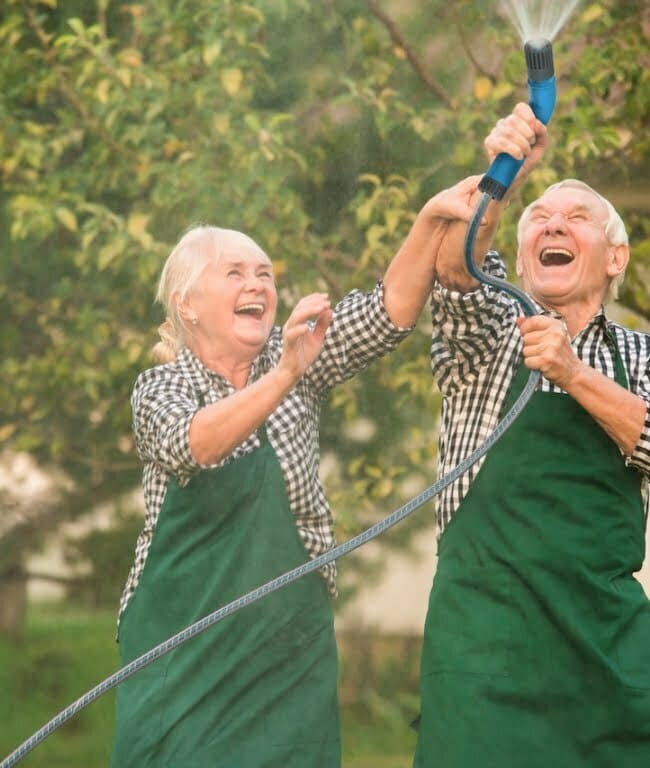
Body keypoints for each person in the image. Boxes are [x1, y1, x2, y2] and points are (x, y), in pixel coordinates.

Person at [110, 161, 503, 767]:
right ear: (187, 305)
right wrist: (286, 372)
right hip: (180, 656)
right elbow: (197, 444)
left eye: (265, 274)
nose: (258, 284)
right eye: (235, 272)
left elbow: (389, 311)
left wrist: (429, 220)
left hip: (285, 653)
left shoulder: (297, 353)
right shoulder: (160, 388)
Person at [413, 104, 650, 768]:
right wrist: (505, 176)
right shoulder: (486, 335)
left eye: (577, 218)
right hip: (487, 643)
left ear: (615, 256)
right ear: (518, 260)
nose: (554, 225)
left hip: (604, 637)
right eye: (539, 220)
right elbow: (457, 271)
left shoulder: (644, 357)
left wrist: (572, 372)